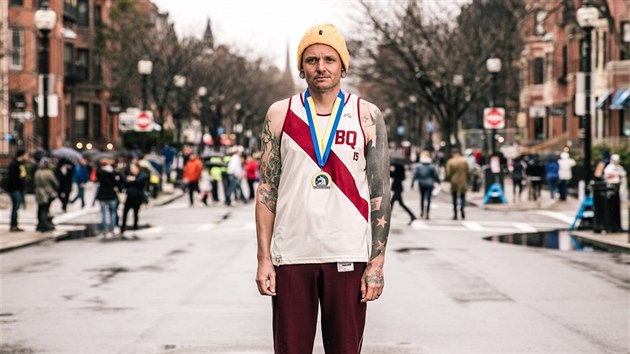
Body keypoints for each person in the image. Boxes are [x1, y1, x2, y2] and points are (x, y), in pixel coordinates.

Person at [255, 23, 391, 354]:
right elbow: (267, 191)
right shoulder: (280, 114)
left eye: (329, 59)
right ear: (302, 67)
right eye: (312, 59)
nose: (321, 67)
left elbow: (380, 194)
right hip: (291, 254)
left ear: (342, 65)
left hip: (347, 251)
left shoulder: (366, 115)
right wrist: (263, 259)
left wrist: (376, 264)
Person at [96, 159, 121, 238]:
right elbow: (116, 183)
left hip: (102, 195)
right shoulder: (112, 173)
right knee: (112, 213)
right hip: (111, 194)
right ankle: (112, 229)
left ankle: (104, 230)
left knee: (103, 213)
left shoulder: (99, 172)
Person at [411, 150, 440, 219]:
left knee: (422, 198)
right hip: (430, 183)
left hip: (421, 183)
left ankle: (421, 212)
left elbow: (415, 175)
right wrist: (438, 181)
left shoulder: (418, 165)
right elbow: (435, 175)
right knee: (429, 199)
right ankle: (427, 213)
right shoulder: (432, 166)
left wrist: (412, 183)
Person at [120, 162, 147, 236]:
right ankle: (122, 228)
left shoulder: (141, 175)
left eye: (133, 168)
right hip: (129, 197)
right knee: (125, 213)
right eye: (131, 168)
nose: (132, 170)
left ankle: (135, 227)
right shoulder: (129, 175)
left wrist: (134, 180)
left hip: (137, 197)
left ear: (137, 168)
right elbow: (124, 184)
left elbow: (142, 184)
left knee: (135, 213)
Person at [34, 158, 58, 232]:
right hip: (47, 192)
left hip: (38, 192)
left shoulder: (37, 172)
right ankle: (44, 224)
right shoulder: (49, 172)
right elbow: (55, 183)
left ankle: (40, 224)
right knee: (45, 209)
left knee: (40, 208)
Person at [446, 148, 470, 220]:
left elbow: (448, 173)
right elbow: (468, 171)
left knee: (454, 198)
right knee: (463, 196)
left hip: (454, 181)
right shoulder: (464, 160)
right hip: (463, 180)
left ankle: (455, 214)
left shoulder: (450, 161)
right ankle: (462, 207)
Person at [7, 149, 28, 232]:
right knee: (15, 207)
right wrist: (16, 189)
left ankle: (15, 224)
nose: (27, 157)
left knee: (17, 207)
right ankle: (13, 225)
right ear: (22, 155)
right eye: (26, 155)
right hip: (15, 190)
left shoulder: (21, 164)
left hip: (19, 189)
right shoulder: (14, 164)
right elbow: (12, 178)